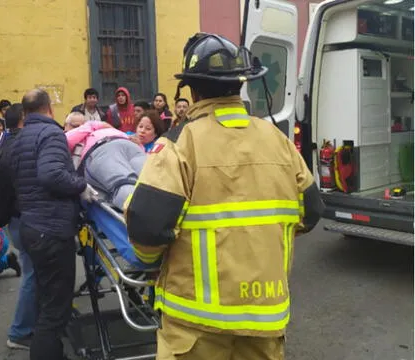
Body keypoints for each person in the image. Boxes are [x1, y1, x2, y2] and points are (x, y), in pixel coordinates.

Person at [124, 33, 324, 360]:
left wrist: (148, 263)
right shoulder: (279, 141)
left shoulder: (180, 143)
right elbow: (312, 210)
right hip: (264, 318)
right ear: (240, 84)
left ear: (192, 88)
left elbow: (146, 225)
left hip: (195, 324)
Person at [8, 89, 97, 360]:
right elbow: (51, 175)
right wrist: (81, 185)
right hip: (52, 230)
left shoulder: (20, 137)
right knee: (54, 310)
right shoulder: (51, 134)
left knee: (44, 298)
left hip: (30, 225)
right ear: (50, 109)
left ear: (25, 112)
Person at [2, 103, 38, 350]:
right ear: (23, 121)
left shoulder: (7, 144)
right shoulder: (23, 147)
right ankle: (19, 332)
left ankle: (32, 323)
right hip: (24, 218)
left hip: (15, 219)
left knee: (34, 271)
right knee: (32, 274)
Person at [65, 121, 146, 210]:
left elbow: (66, 140)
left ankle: (142, 213)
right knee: (152, 183)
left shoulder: (85, 128)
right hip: (131, 146)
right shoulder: (114, 131)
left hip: (103, 149)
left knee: (122, 184)